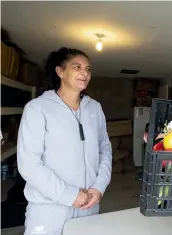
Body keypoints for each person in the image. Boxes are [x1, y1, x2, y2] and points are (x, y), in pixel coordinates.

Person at [17, 47, 112, 235]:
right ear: (60, 71)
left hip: (89, 206)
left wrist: (99, 188)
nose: (84, 73)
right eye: (77, 67)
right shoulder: (38, 109)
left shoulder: (94, 109)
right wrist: (69, 196)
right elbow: (29, 164)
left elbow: (104, 149)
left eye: (88, 69)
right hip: (49, 210)